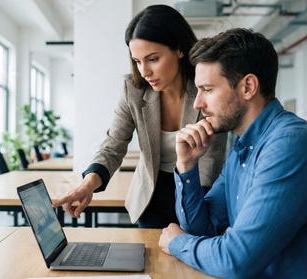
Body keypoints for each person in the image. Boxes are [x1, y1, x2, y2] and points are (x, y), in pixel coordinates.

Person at [158, 28, 307, 278]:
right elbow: (204, 228)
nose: (198, 104)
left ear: (248, 86)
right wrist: (187, 165)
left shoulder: (290, 146)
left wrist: (177, 243)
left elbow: (236, 260)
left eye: (207, 89)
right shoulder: (242, 148)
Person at [52, 5, 227, 228]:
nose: (144, 71)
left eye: (153, 59)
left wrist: (194, 208)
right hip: (150, 197)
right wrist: (88, 184)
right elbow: (113, 144)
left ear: (180, 49)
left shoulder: (207, 88)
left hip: (199, 192)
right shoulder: (133, 91)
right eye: (137, 61)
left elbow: (211, 161)